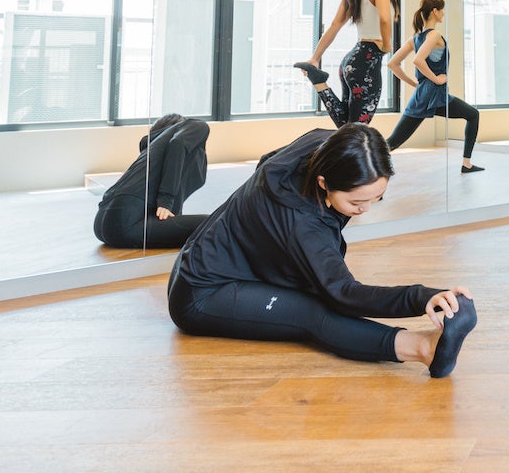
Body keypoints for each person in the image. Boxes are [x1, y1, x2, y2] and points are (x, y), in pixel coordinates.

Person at [167, 124, 477, 377]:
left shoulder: (328, 144)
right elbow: (344, 293)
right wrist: (422, 297)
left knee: (313, 285)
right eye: (357, 202)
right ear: (323, 182)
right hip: (202, 293)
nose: (366, 209)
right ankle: (424, 348)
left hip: (209, 254)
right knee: (313, 311)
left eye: (377, 197)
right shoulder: (303, 225)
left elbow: (267, 160)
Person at [295, 0, 398, 127]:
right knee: (357, 127)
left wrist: (315, 58)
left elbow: (335, 25)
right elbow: (384, 18)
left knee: (347, 125)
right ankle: (318, 81)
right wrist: (387, 44)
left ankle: (319, 82)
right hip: (367, 62)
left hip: (351, 62)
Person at [384, 0, 484, 173]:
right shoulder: (435, 35)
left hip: (422, 96)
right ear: (435, 11)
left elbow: (392, 64)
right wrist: (436, 79)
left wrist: (415, 85)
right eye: (442, 10)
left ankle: (362, 166)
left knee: (393, 142)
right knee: (473, 115)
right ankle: (466, 163)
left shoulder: (414, 39)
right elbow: (417, 60)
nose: (443, 14)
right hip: (436, 96)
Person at [93, 114, 210, 249]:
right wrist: (166, 201)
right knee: (214, 222)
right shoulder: (196, 125)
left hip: (101, 225)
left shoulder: (151, 151)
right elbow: (178, 143)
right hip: (127, 223)